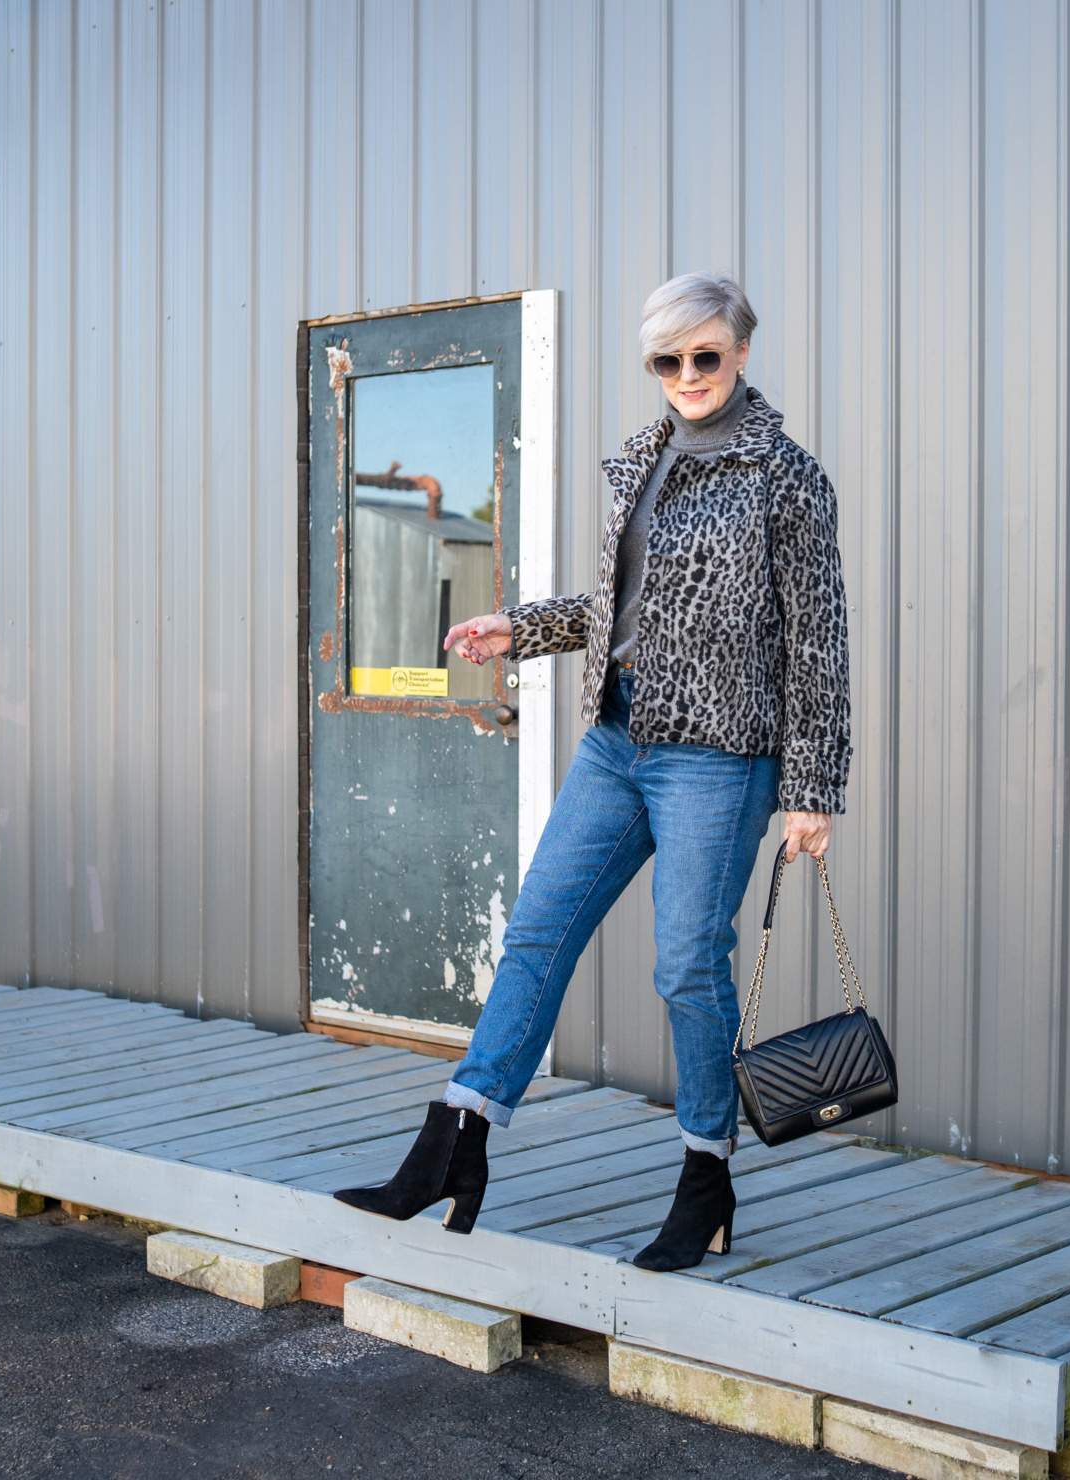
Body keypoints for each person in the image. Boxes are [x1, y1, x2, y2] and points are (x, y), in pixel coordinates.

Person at [334, 272, 851, 1272]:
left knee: (685, 966)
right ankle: (457, 1139)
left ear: (740, 352)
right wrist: (519, 628)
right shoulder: (641, 461)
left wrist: (812, 786)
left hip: (719, 757)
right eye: (669, 359)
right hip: (617, 745)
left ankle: (705, 1173)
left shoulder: (784, 475)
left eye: (707, 355)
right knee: (538, 928)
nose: (688, 374)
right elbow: (625, 611)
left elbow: (816, 641)